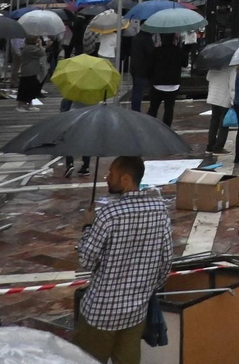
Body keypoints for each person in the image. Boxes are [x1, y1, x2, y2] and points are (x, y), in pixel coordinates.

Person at [75, 155, 174, 364]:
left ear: (126, 179)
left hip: (99, 314)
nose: (107, 178)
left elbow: (86, 260)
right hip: (135, 313)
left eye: (111, 174)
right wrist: (146, 289)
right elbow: (166, 262)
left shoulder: (109, 214)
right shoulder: (159, 210)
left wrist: (87, 226)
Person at [146, 34, 187, 126]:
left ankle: (150, 125)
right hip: (173, 85)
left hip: (157, 84)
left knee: (153, 108)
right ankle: (167, 128)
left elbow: (149, 66)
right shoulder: (178, 51)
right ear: (173, 40)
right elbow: (185, 63)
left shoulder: (156, 51)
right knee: (169, 109)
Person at [204, 60, 234, 155]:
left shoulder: (214, 65)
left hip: (214, 96)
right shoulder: (231, 67)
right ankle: (218, 147)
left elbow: (208, 77)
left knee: (214, 122)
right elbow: (232, 85)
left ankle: (210, 146)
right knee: (224, 124)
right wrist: (233, 99)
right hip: (224, 97)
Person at [16, 38, 45, 107]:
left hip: (27, 70)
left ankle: (29, 103)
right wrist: (40, 45)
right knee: (27, 88)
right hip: (30, 71)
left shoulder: (26, 48)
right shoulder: (31, 48)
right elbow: (42, 53)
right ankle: (22, 104)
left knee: (29, 87)